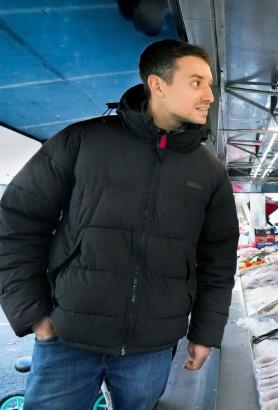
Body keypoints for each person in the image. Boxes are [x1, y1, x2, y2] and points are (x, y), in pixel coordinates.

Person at [0, 39, 239, 409]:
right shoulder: (82, 142)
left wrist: (205, 332)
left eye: (210, 84)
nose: (209, 94)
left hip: (151, 350)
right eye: (196, 82)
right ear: (157, 85)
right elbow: (16, 222)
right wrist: (33, 313)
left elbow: (218, 262)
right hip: (68, 341)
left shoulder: (209, 173)